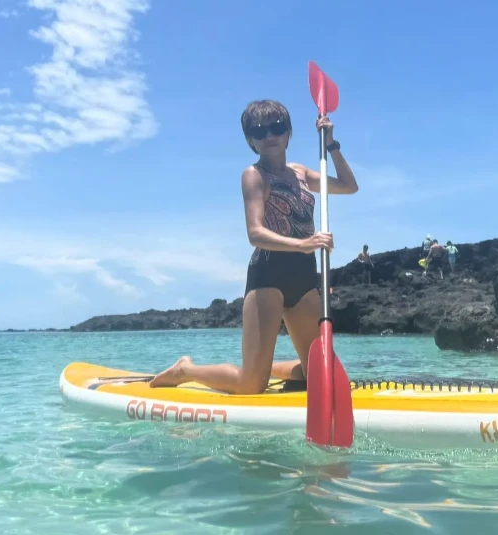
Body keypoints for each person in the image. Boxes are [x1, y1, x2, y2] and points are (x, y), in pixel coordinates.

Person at [151, 99, 359, 394]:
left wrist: (331, 145)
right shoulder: (254, 175)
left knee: (322, 375)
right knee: (250, 386)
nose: (269, 136)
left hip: (304, 278)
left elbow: (349, 186)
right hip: (268, 277)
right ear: (250, 140)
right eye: (259, 132)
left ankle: (266, 366)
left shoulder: (300, 172)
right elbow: (256, 233)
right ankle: (186, 370)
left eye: (277, 128)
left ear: (289, 132)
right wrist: (304, 243)